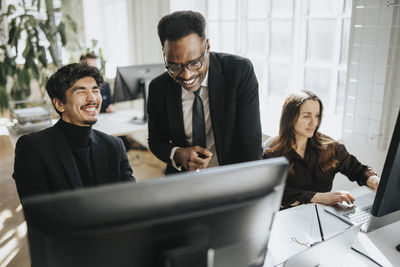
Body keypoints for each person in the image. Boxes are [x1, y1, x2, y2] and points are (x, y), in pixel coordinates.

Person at [148, 11, 262, 174]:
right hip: (183, 180)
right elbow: (156, 141)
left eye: (194, 63)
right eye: (174, 66)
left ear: (207, 47)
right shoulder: (158, 87)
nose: (186, 75)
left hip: (231, 177)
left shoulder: (238, 71)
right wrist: (177, 154)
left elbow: (250, 143)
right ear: (164, 53)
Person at [13, 63, 135, 199]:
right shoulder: (32, 148)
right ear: (60, 104)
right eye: (81, 92)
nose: (92, 98)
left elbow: (130, 199)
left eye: (95, 91)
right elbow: (38, 213)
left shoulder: (115, 146)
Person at [263, 90, 380, 209]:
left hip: (322, 215)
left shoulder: (331, 148)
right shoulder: (271, 154)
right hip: (286, 218)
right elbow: (273, 192)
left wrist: (373, 179)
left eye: (317, 115)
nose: (313, 122)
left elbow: (357, 169)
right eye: (307, 116)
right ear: (290, 118)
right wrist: (318, 197)